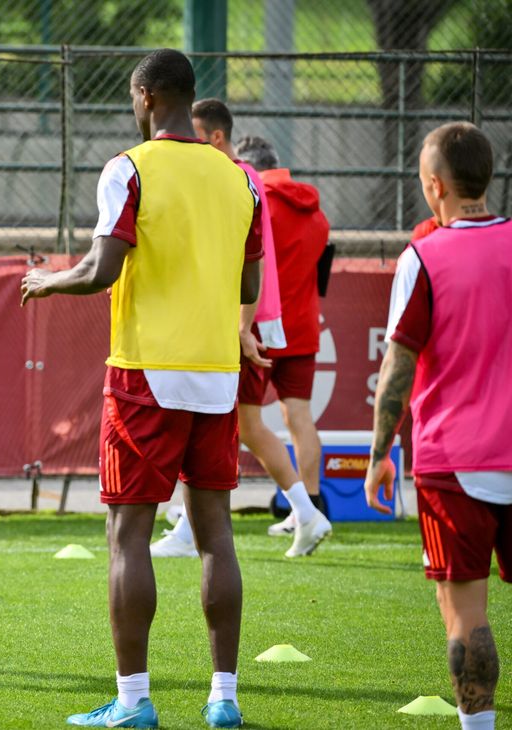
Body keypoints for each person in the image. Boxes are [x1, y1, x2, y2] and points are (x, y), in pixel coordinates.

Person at [22, 49, 262, 729]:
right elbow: (248, 285)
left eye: (134, 97)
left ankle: (132, 702)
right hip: (217, 373)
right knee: (215, 534)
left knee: (128, 532)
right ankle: (224, 699)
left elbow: (101, 269)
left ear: (146, 96)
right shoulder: (241, 179)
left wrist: (48, 281)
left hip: (145, 371)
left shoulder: (128, 168)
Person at [367, 122, 509, 730]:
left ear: (434, 186)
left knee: (465, 614)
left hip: (454, 462)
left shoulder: (422, 257)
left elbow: (397, 366)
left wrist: (379, 453)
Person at [151, 100, 330, 559]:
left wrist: (244, 324)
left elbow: (253, 259)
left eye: (193, 133)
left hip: (238, 321)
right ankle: (303, 508)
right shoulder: (274, 193)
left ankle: (299, 512)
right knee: (241, 420)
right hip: (276, 323)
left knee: (228, 422)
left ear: (215, 136)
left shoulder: (237, 180)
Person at [231, 135, 332, 551]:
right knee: (300, 418)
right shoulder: (316, 212)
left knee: (243, 422)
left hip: (258, 325)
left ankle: (302, 510)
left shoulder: (256, 202)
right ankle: (310, 504)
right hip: (303, 326)